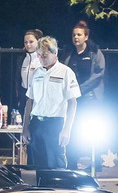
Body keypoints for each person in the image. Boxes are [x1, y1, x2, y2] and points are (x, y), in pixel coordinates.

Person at [21, 36, 81, 169]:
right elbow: (30, 101)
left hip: (55, 124)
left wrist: (67, 129)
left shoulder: (65, 72)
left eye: (45, 55)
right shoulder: (36, 73)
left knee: (56, 165)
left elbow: (73, 102)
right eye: (39, 55)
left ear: (55, 53)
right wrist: (25, 128)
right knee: (35, 165)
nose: (42, 58)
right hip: (36, 123)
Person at [63, 20, 105, 170]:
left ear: (86, 37)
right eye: (74, 35)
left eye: (79, 35)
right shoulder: (69, 52)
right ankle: (72, 163)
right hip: (73, 99)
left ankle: (95, 162)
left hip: (90, 99)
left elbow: (98, 75)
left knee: (89, 131)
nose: (76, 38)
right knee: (72, 130)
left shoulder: (94, 53)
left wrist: (80, 90)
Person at [18, 28, 43, 114]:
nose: (28, 45)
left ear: (38, 42)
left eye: (31, 42)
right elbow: (18, 79)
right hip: (24, 95)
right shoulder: (22, 58)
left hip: (38, 96)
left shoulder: (42, 58)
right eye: (26, 42)